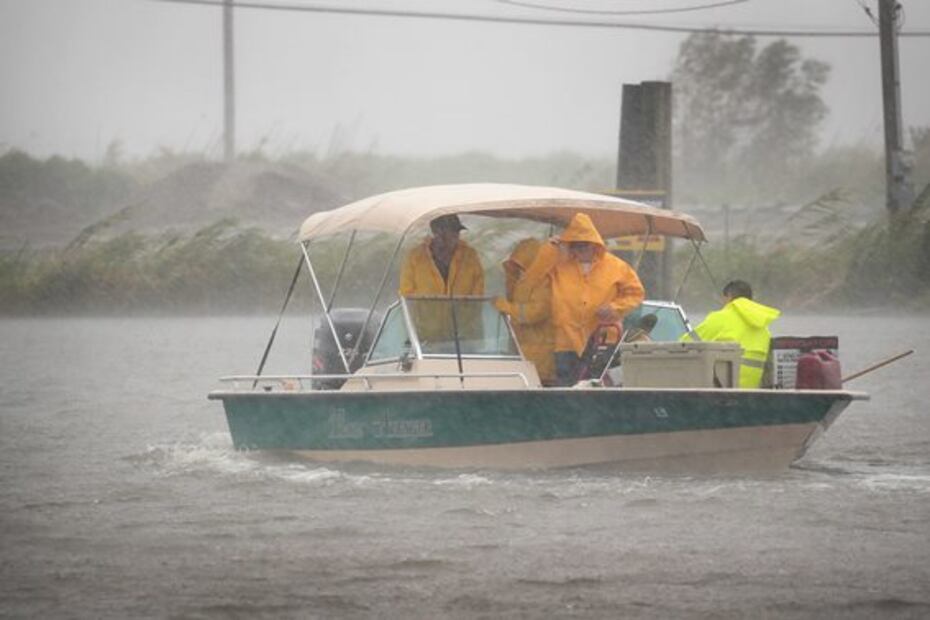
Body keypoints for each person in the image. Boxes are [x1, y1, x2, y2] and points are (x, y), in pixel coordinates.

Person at [522, 213, 645, 386]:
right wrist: (549, 251)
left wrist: (615, 308)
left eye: (584, 245)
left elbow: (636, 293)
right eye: (574, 245)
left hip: (602, 342)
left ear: (595, 244)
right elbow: (531, 280)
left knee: (599, 389)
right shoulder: (558, 266)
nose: (579, 250)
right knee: (566, 392)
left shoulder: (617, 267)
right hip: (566, 344)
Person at [398, 214, 484, 347]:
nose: (455, 236)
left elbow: (478, 297)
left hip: (463, 338)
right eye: (451, 232)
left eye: (457, 232)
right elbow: (406, 296)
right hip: (426, 339)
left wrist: (465, 326)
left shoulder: (470, 256)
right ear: (436, 233)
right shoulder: (416, 257)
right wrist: (413, 333)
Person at [683, 279, 780, 388]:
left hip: (723, 392)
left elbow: (684, 345)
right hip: (751, 393)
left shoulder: (719, 319)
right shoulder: (763, 327)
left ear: (728, 297)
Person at [493, 238, 555, 385]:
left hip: (539, 360)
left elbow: (535, 313)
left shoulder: (544, 281)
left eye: (520, 263)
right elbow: (514, 300)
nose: (518, 266)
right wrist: (511, 276)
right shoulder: (523, 281)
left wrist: (505, 307)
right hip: (522, 355)